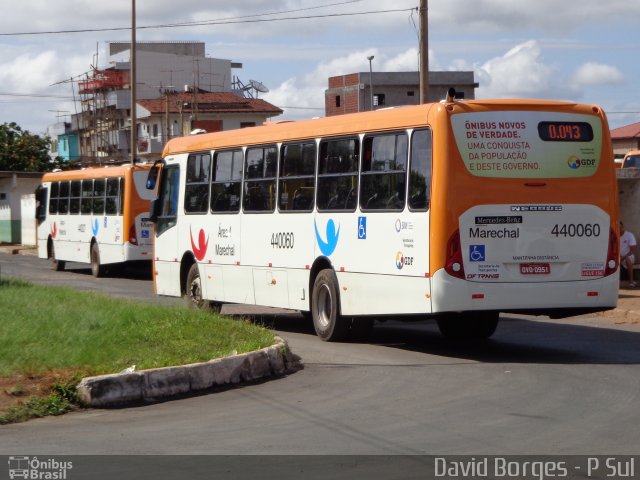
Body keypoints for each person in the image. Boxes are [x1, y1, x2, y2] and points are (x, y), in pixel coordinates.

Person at [620, 221, 637, 287]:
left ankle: (631, 281)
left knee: (628, 260)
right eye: (617, 227)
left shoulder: (629, 235)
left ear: (622, 227)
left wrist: (623, 257)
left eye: (620, 227)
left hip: (628, 255)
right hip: (617, 256)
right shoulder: (613, 235)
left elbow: (632, 250)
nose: (619, 229)